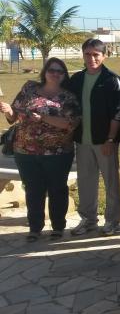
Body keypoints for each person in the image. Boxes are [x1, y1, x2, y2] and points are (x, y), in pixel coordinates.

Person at [0, 58, 80, 241]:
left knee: (57, 189)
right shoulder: (29, 88)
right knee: (33, 190)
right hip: (25, 151)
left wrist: (43, 118)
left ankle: (58, 227)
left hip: (57, 153)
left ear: (64, 75)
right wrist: (7, 110)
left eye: (60, 71)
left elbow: (70, 123)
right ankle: (35, 228)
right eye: (52, 70)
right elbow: (15, 115)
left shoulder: (68, 97)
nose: (55, 74)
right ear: (44, 71)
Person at [68, 38, 120, 236]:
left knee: (111, 182)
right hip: (83, 141)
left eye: (96, 55)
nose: (91, 58)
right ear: (83, 55)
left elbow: (117, 113)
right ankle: (89, 220)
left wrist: (110, 140)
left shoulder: (111, 80)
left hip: (105, 142)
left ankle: (112, 220)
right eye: (87, 54)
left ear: (104, 56)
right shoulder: (76, 80)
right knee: (85, 181)